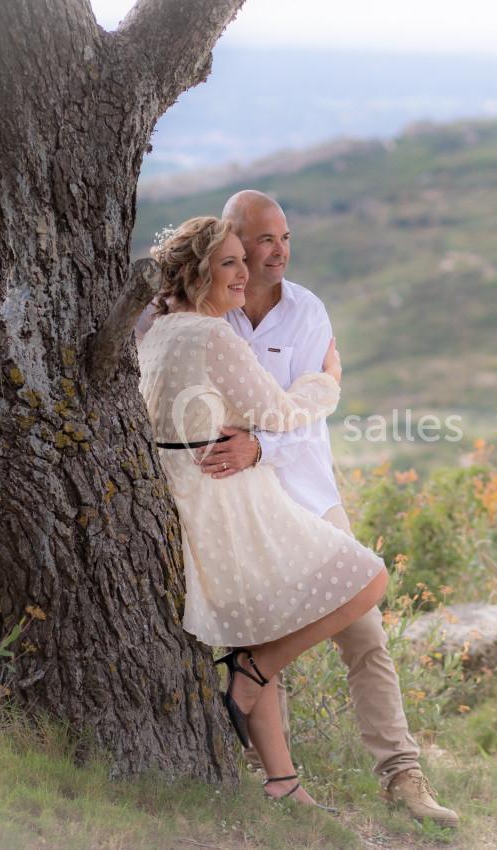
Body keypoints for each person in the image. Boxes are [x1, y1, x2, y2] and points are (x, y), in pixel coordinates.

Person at [177, 190, 460, 828]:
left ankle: (403, 776)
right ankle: (281, 785)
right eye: (264, 240)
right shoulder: (204, 315)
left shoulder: (307, 312)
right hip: (237, 503)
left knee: (365, 632)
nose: (278, 251)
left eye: (285, 238)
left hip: (307, 493)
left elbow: (309, 413)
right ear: (233, 246)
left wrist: (260, 443)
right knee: (259, 628)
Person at [137, 216, 389, 809]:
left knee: (265, 627)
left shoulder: (155, 332)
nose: (244, 274)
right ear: (198, 270)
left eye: (243, 262)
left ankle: (284, 785)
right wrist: (326, 383)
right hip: (226, 499)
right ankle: (248, 674)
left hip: (183, 494)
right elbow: (276, 412)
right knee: (368, 578)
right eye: (230, 263)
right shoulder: (211, 335)